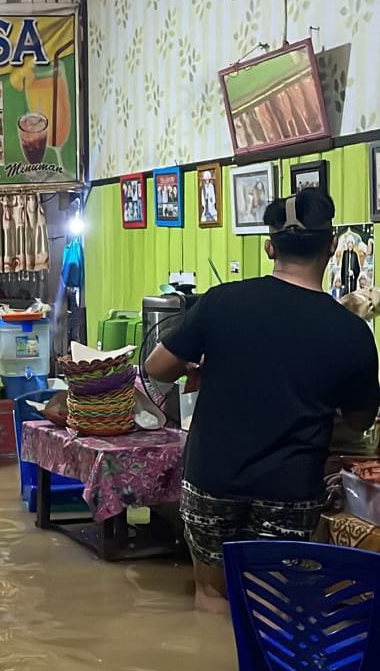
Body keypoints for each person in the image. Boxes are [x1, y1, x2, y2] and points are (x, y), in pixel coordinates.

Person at [145, 188, 380, 613]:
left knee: (213, 595)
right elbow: (361, 421)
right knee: (272, 605)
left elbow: (157, 367)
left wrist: (202, 368)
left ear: (269, 246)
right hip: (290, 486)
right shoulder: (352, 331)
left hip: (212, 477)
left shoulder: (222, 302)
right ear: (331, 246)